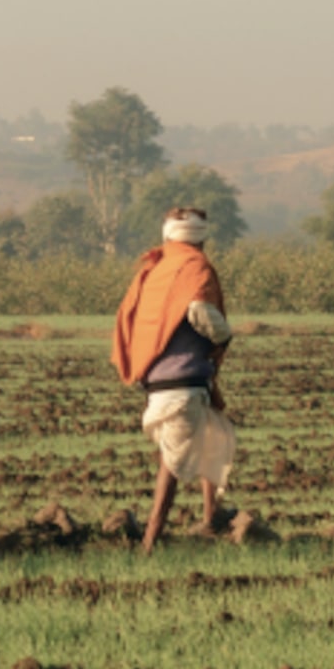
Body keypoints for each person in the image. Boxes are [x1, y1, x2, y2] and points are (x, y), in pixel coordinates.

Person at [111, 203, 235, 556]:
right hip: (181, 382)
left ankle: (212, 515)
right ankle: (151, 541)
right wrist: (225, 337)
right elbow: (201, 313)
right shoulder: (194, 268)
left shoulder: (155, 269)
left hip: (156, 379)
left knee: (213, 429)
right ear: (201, 240)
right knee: (173, 463)